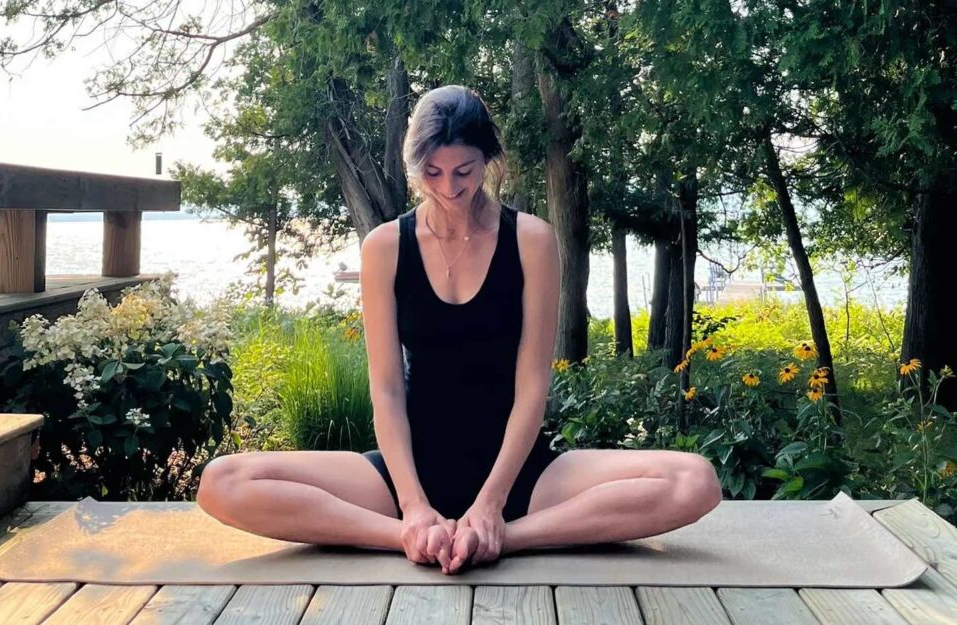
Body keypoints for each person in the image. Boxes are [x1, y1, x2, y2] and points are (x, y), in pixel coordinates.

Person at [196, 85, 722, 576]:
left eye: (464, 170)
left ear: (488, 161)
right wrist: (414, 509)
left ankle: (505, 538)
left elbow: (532, 385)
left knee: (694, 480)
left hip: (521, 477)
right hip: (408, 475)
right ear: (413, 169)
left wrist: (492, 509)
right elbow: (385, 388)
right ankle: (408, 537)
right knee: (223, 482)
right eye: (433, 173)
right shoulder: (385, 246)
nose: (450, 188)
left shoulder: (531, 241)